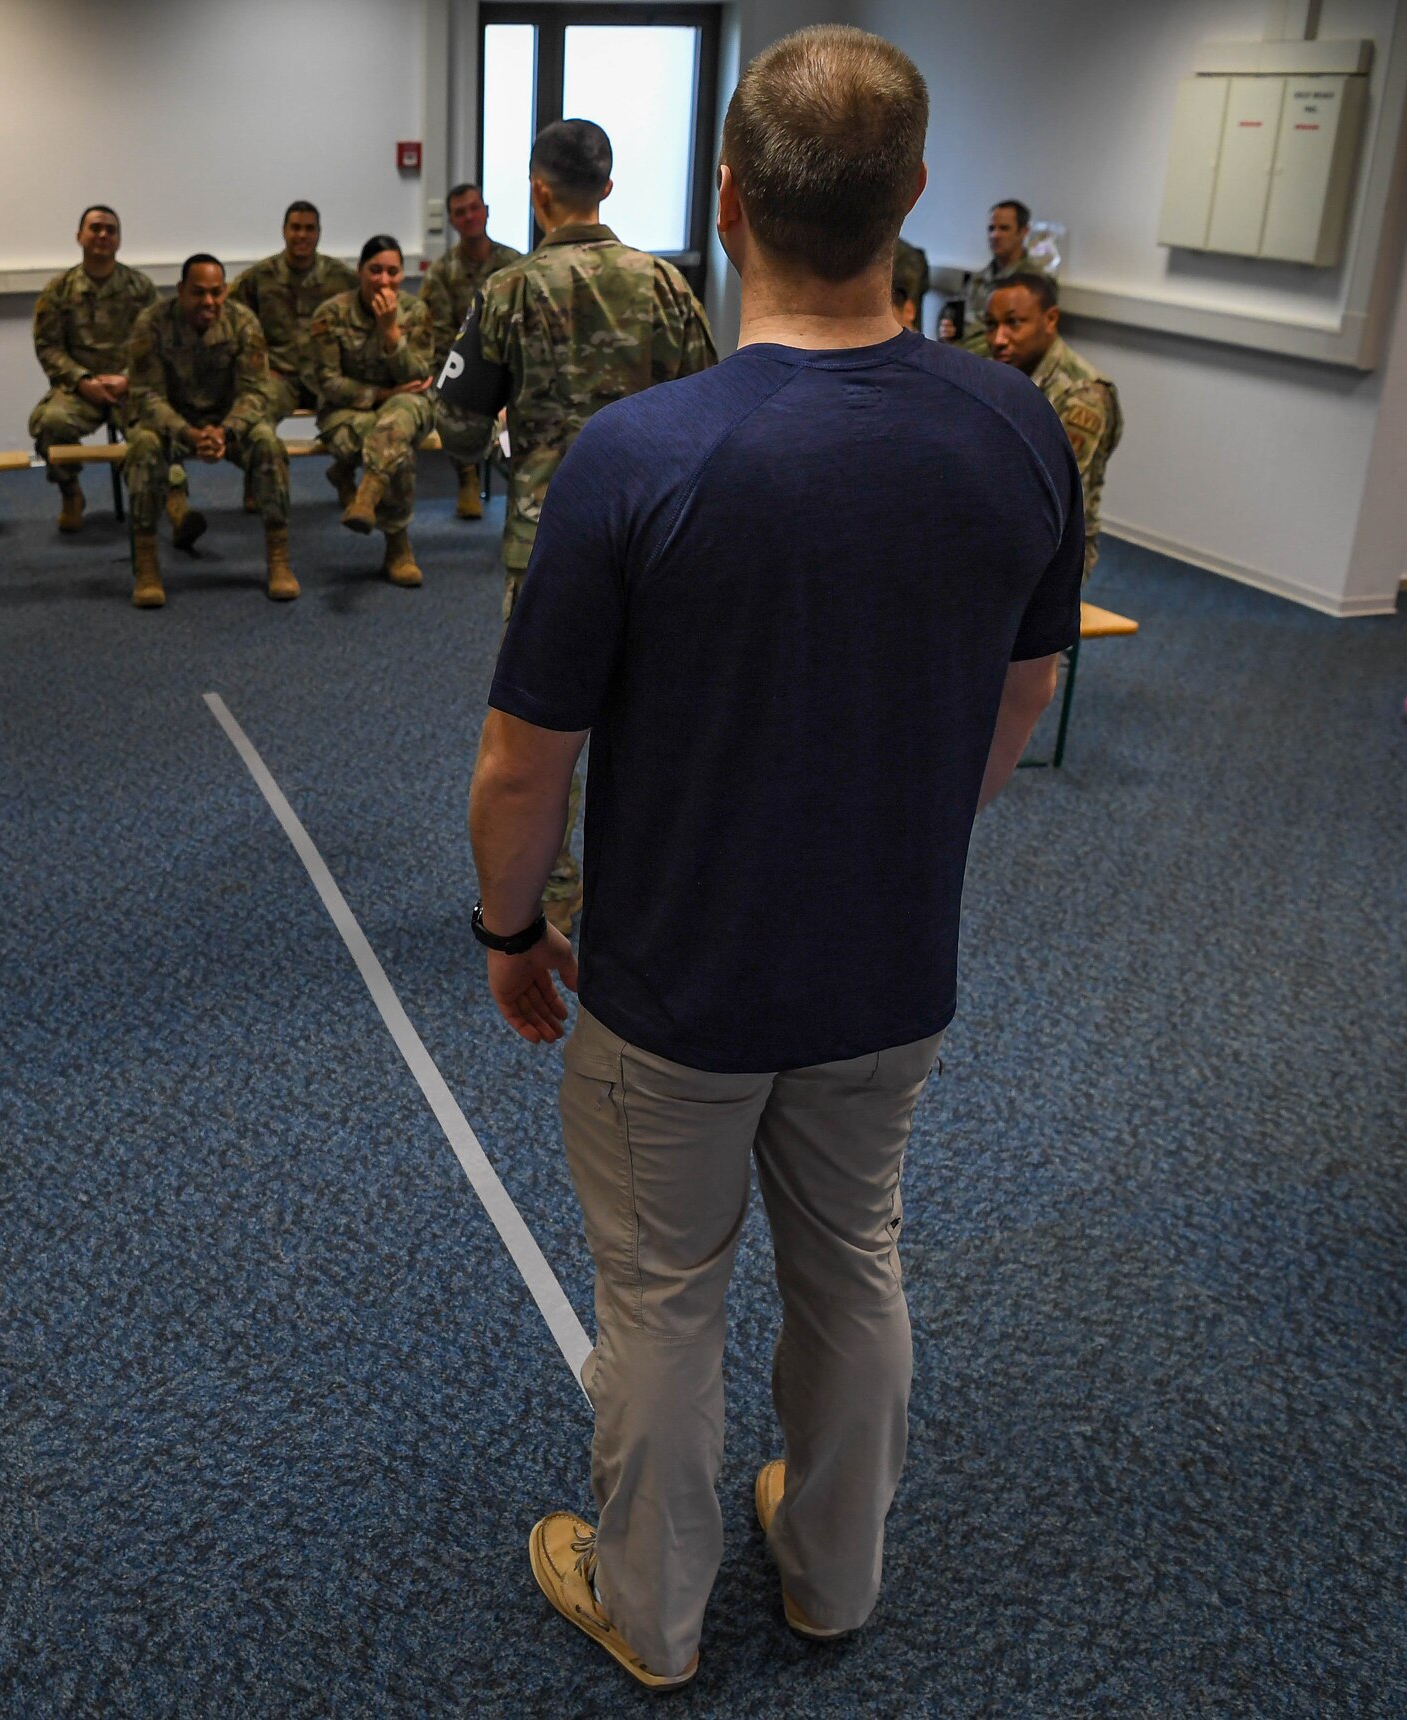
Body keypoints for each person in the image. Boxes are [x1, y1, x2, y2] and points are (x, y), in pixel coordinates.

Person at [468, 25, 1080, 1688]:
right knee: (854, 1261)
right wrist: (904, 829)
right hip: (891, 968)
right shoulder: (1020, 430)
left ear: (726, 201)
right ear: (917, 198)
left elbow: (525, 766)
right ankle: (831, 1574)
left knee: (664, 1302)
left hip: (676, 989)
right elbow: (1022, 698)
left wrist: (508, 936)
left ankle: (651, 1615)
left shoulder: (639, 461)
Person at [437, 117, 718, 935]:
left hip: (548, 544)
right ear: (607, 186)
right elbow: (714, 408)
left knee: (535, 741)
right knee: (653, 722)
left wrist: (502, 430)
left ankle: (545, 902)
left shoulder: (507, 289)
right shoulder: (665, 285)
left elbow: (454, 428)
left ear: (537, 190)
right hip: (658, 543)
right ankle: (644, 896)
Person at [120, 255, 295, 609]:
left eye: (217, 293)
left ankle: (278, 560)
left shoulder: (243, 323)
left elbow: (255, 392)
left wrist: (225, 432)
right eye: (198, 293)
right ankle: (147, 566)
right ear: (181, 291)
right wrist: (187, 433)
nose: (209, 302)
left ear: (226, 291)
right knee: (142, 447)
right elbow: (145, 395)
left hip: (227, 423)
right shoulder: (151, 323)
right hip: (174, 423)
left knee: (267, 444)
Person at [310, 236, 435, 587]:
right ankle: (398, 547)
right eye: (375, 270)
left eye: (392, 272)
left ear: (402, 274)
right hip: (348, 412)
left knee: (403, 413)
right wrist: (383, 393)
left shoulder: (416, 312)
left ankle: (366, 496)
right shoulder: (330, 315)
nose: (384, 280)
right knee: (398, 447)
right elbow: (327, 382)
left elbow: (420, 379)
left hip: (407, 407)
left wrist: (391, 332)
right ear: (359, 272)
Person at [985, 272, 1123, 579]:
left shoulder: (1083, 394)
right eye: (991, 325)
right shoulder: (1007, 373)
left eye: (1014, 323)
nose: (999, 339)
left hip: (1058, 551)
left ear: (1050, 320)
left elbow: (1049, 491)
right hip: (1008, 528)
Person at [30, 205, 157, 533]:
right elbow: (48, 346)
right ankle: (71, 493)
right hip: (80, 390)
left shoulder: (141, 288)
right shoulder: (59, 290)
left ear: (119, 241)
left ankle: (173, 498)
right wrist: (81, 379)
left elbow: (158, 342)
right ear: (79, 236)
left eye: (110, 230)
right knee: (50, 423)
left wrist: (129, 378)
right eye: (95, 228)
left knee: (160, 425)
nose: (103, 235)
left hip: (129, 387)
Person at [419, 184, 523, 519]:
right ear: (451, 221)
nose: (469, 217)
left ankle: (526, 489)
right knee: (453, 394)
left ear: (487, 211)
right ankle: (467, 476)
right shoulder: (441, 272)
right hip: (461, 364)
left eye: (474, 208)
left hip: (511, 363)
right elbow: (437, 334)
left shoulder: (515, 264)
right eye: (460, 212)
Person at [231, 201, 357, 425]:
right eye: (295, 228)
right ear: (284, 231)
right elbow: (231, 324)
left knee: (356, 422)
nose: (302, 235)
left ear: (318, 234)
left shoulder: (341, 278)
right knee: (256, 416)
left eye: (309, 229)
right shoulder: (259, 278)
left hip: (325, 378)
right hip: (280, 378)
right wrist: (256, 368)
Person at [956, 199, 1042, 351]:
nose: (995, 235)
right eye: (991, 228)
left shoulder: (1036, 282)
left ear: (1023, 232)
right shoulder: (979, 279)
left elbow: (1032, 338)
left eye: (1004, 228)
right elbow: (962, 320)